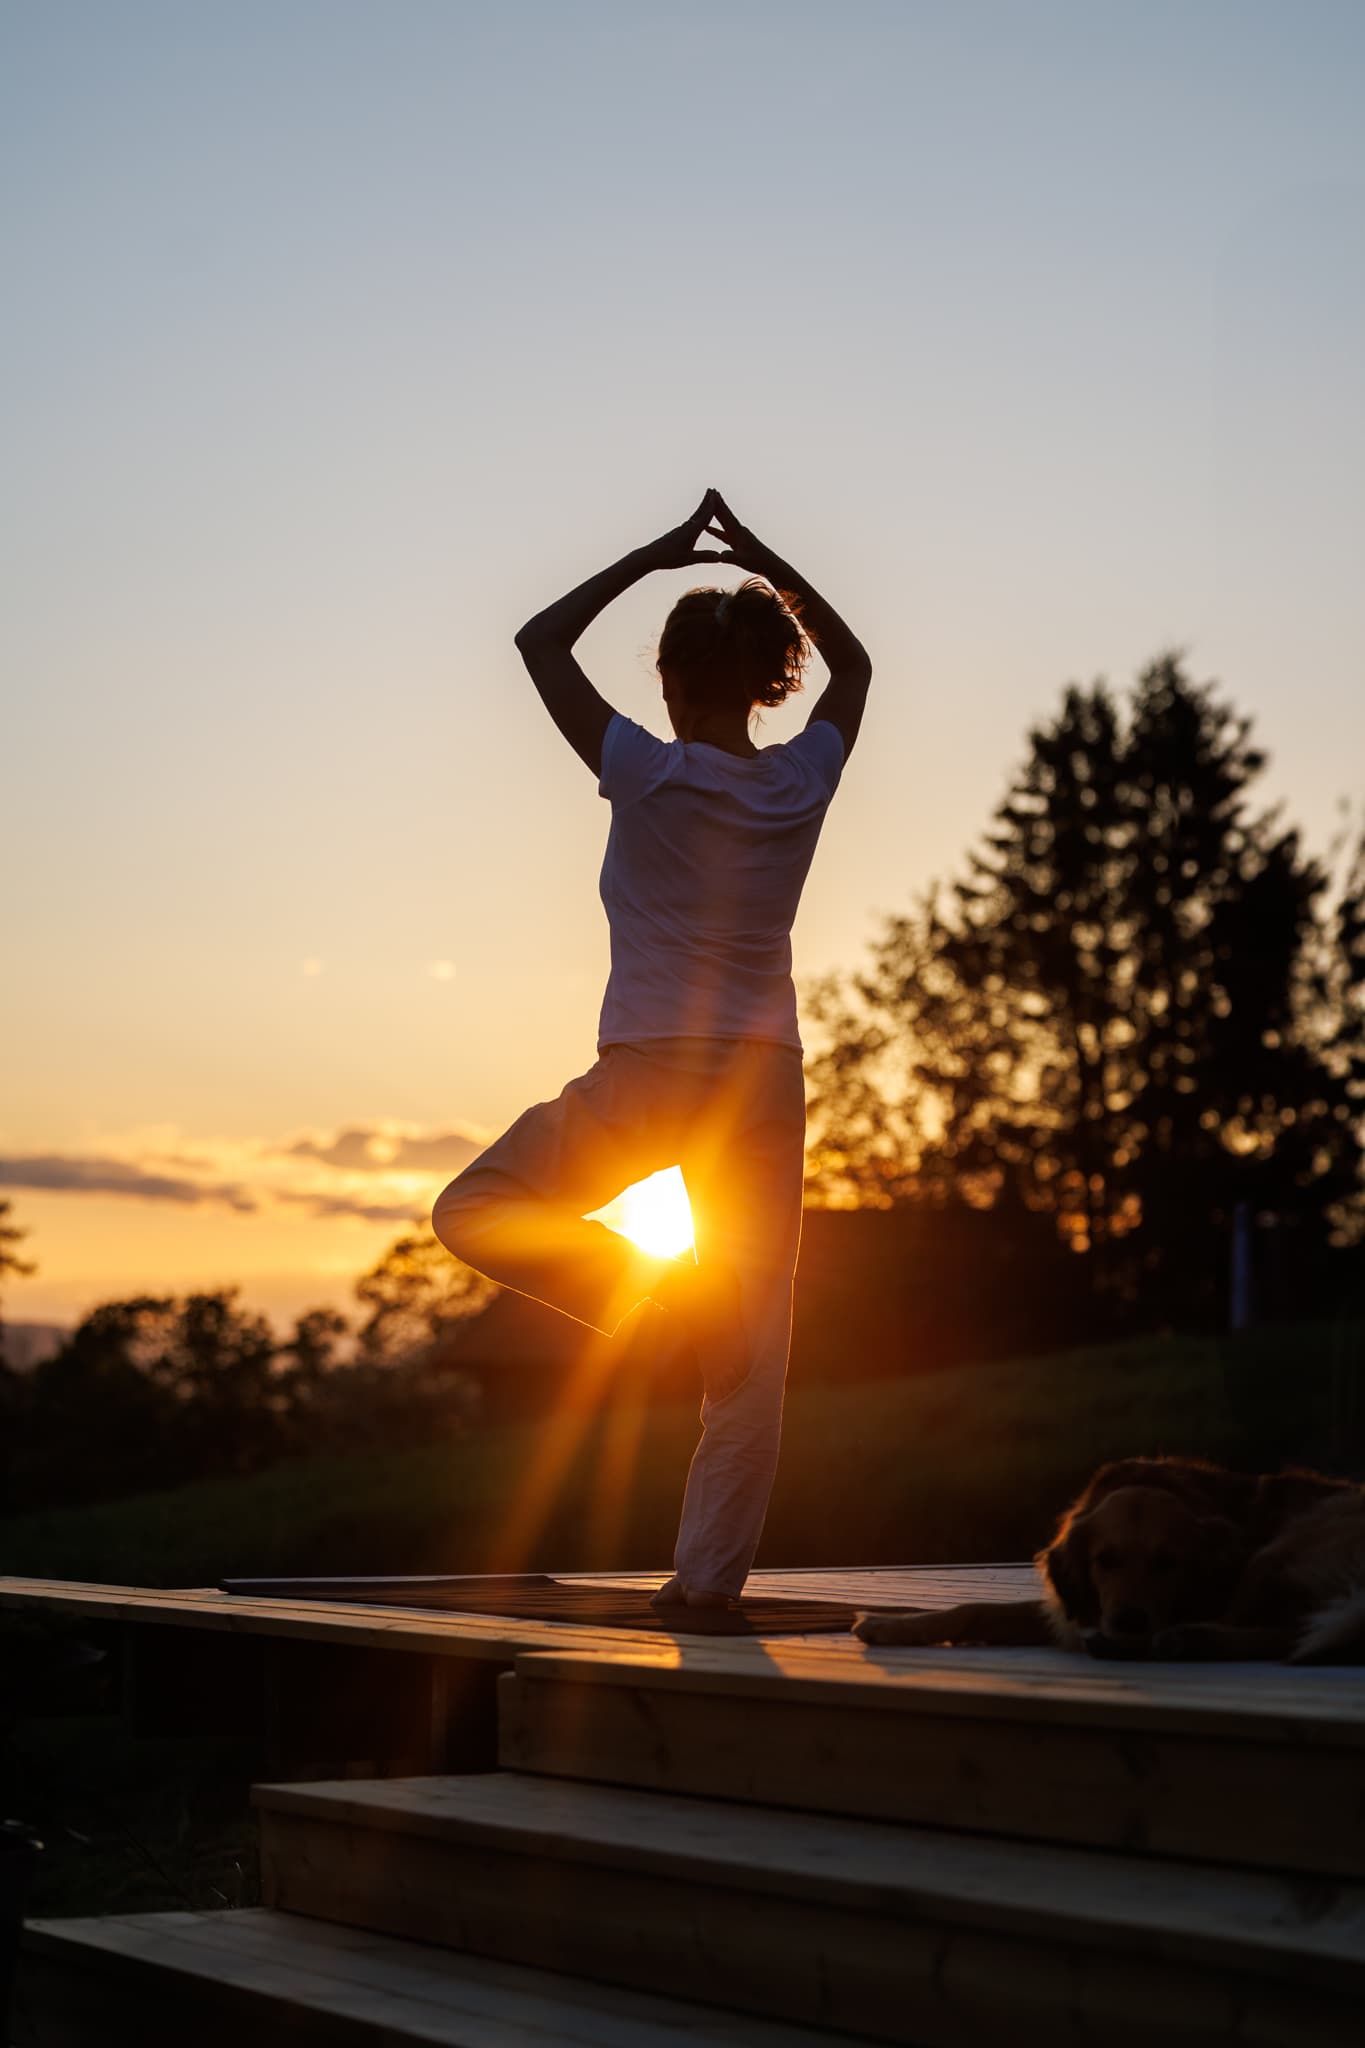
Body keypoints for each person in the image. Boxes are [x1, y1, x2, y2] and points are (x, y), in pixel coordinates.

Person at [432, 487, 872, 1609]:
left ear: (672, 683)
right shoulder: (798, 779)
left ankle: (656, 1298)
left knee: (471, 1209)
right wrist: (767, 560)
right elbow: (858, 670)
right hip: (765, 1082)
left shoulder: (646, 768)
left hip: (650, 1068)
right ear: (771, 680)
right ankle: (705, 1588)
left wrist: (655, 553)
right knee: (756, 1355)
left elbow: (537, 641)